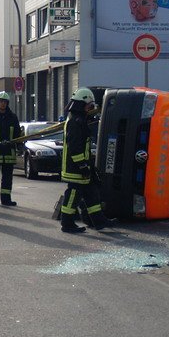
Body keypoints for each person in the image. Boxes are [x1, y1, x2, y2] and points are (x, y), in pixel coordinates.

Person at [60, 88, 108, 233]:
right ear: (81, 105)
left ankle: (99, 222)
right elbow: (75, 148)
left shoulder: (79, 120)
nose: (90, 108)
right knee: (72, 196)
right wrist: (82, 165)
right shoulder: (75, 122)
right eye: (89, 105)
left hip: (83, 167)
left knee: (92, 194)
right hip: (75, 169)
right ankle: (67, 224)